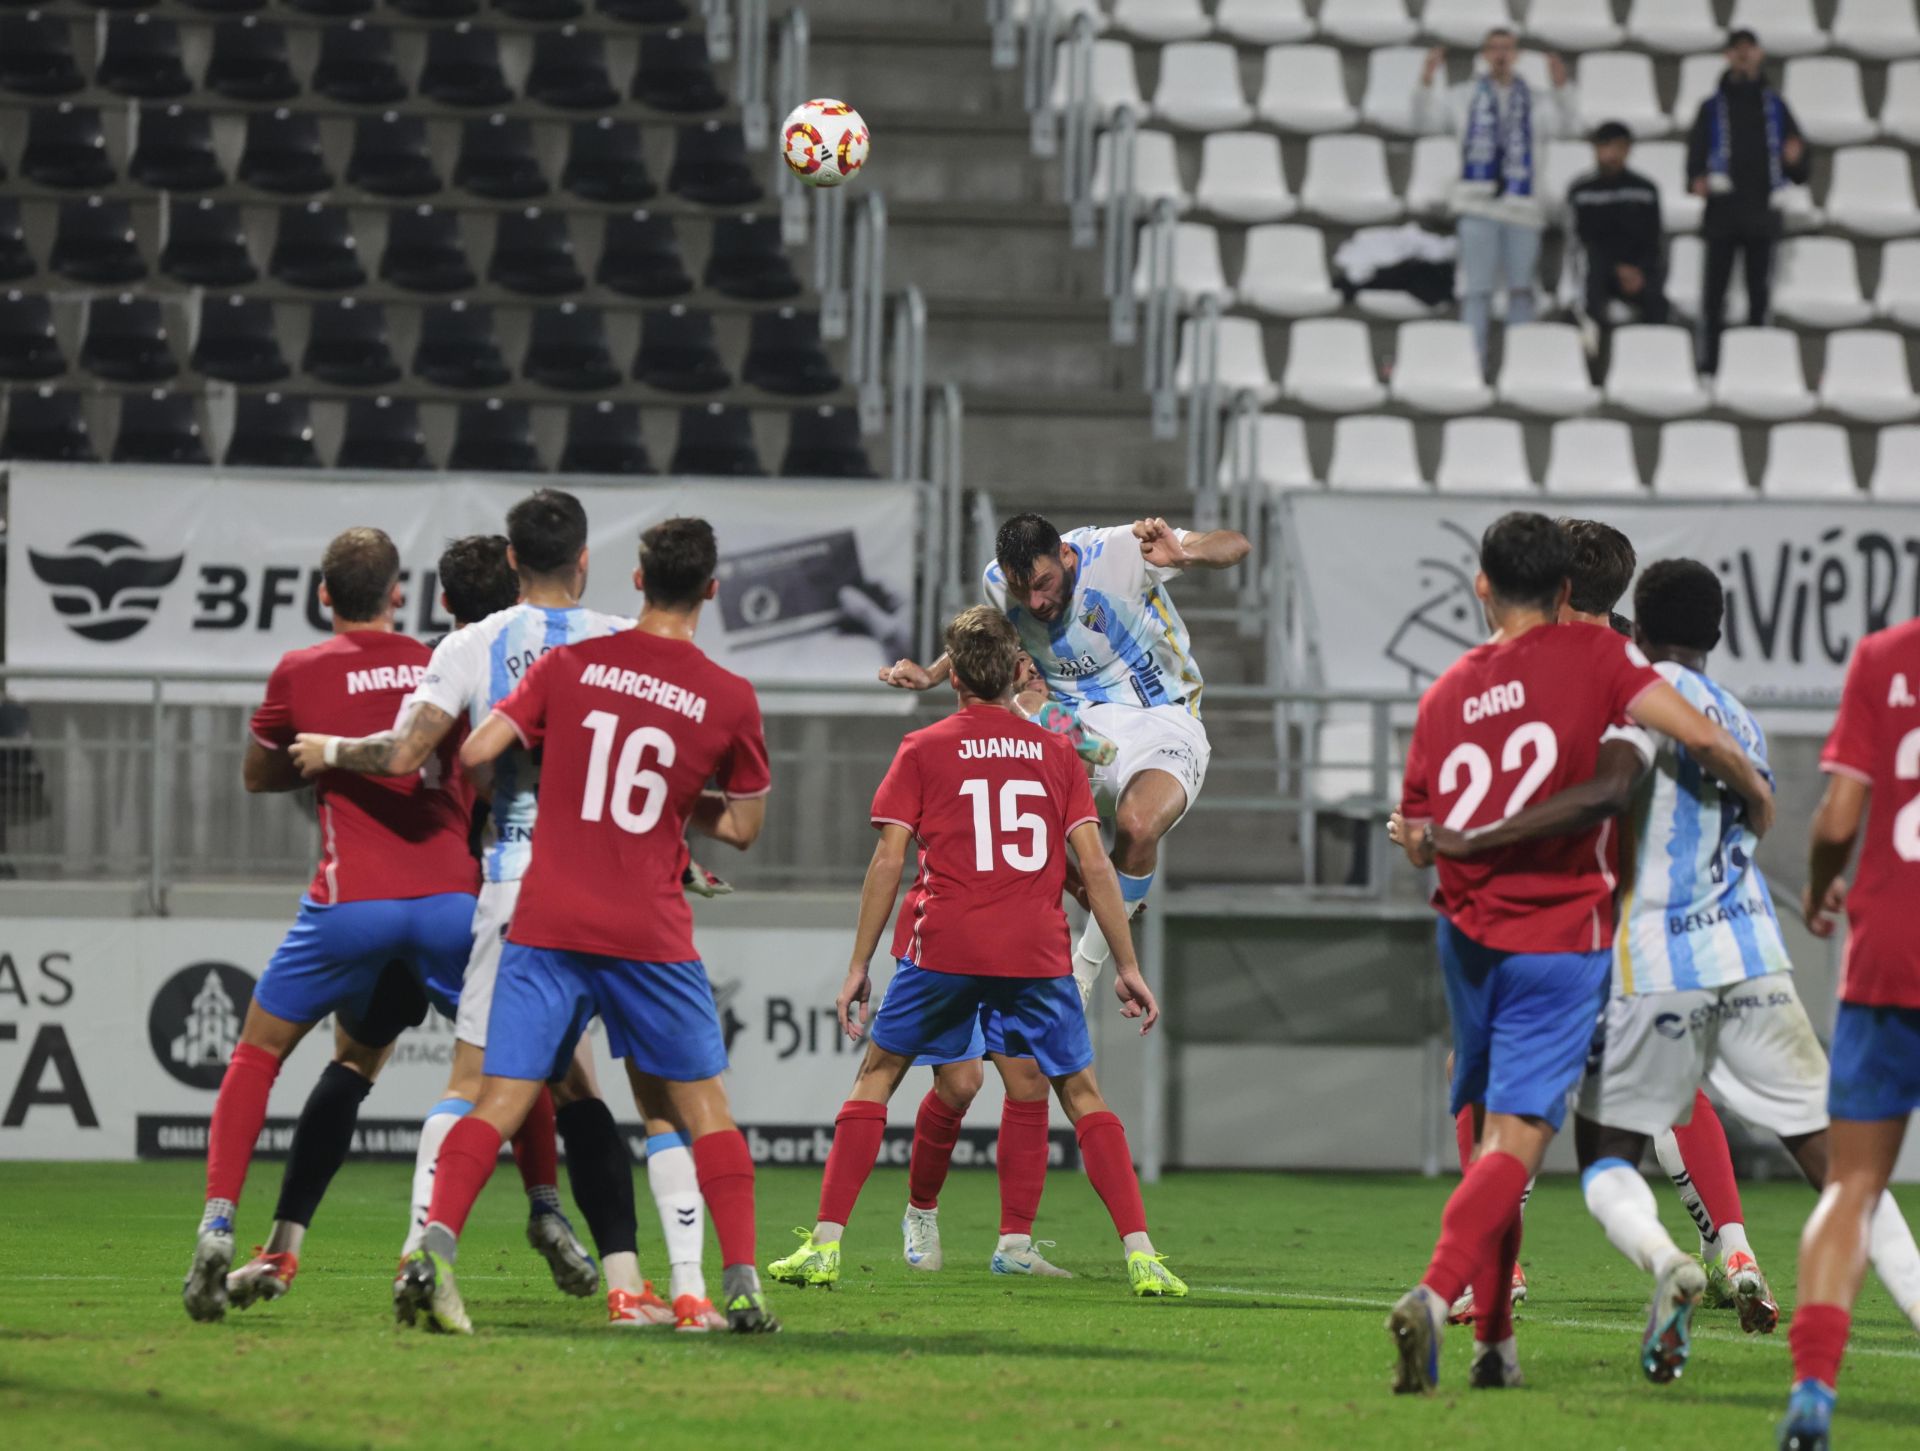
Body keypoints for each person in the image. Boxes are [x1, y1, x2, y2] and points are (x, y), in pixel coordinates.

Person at [1416, 561, 1920, 1388]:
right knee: (1846, 1167)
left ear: (1635, 627)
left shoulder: (1631, 692)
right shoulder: (1746, 723)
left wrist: (1479, 840)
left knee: (1600, 1153)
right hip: (1755, 960)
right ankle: (1745, 1255)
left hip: (1653, 961)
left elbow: (1609, 789)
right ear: (1719, 635)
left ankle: (1649, 1262)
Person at [290, 494, 729, 1331]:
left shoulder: (470, 644)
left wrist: (331, 750)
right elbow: (660, 767)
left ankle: (423, 1252)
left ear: (511, 562)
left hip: (515, 879)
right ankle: (657, 1285)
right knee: (634, 1092)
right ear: (588, 562)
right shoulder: (617, 640)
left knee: (476, 1083)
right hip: (621, 884)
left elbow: (408, 753)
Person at [1383, 512, 1773, 1394]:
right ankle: (1724, 1254)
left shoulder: (1459, 686)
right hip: (1606, 926)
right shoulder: (1621, 664)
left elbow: (1422, 829)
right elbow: (1690, 744)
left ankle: (1490, 1318)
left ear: (1493, 586)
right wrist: (1756, 792)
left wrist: (1441, 837)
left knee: (1504, 1132)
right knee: (1647, 1106)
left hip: (1487, 931)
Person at [397, 516, 780, 1335]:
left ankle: (431, 1246)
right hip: (647, 925)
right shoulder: (726, 695)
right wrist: (680, 794)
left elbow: (473, 754)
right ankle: (735, 1285)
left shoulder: (570, 665)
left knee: (499, 1097)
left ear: (636, 579)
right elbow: (742, 829)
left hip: (547, 913)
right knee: (697, 1106)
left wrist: (557, 762)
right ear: (711, 589)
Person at [766, 606, 1186, 1299]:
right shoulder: (1056, 752)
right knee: (1074, 1091)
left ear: (952, 673)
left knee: (878, 1074)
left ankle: (827, 1244)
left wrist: (858, 965)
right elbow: (1098, 868)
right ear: (1018, 669)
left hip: (949, 941)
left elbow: (887, 862)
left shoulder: (924, 746)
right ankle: (1141, 1253)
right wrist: (1128, 963)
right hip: (1034, 947)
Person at [182, 528, 479, 1323]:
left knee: (260, 1053)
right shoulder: (439, 660)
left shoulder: (300, 669)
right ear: (398, 592)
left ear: (322, 596)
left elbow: (258, 773)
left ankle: (222, 1219)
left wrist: (322, 756)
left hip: (349, 909)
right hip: (453, 901)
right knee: (521, 1060)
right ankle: (550, 1209)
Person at [879, 514, 1248, 1011]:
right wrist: (930, 674)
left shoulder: (1119, 552)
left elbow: (1234, 544)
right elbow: (985, 635)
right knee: (1016, 728)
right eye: (1021, 590)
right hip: (1080, 731)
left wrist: (1189, 554)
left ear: (1067, 558)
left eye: (1043, 584)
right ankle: (1088, 889)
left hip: (1162, 718)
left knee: (1137, 824)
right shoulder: (999, 584)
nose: (1035, 602)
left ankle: (1083, 972)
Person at [1779, 615, 1920, 1450]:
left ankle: (1812, 1392)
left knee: (1853, 1184)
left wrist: (1819, 886)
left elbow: (1838, 820)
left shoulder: (1887, 657)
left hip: (1890, 954)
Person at [1413, 27, 1580, 371]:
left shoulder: (1536, 100)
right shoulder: (1463, 96)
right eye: (1494, 48)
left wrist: (1561, 86)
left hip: (1523, 207)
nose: (1501, 54)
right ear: (1485, 55)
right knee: (1477, 290)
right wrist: (1427, 82)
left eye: (1507, 48)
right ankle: (1471, 365)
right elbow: (1424, 121)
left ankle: (1521, 365)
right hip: (1476, 204)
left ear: (1517, 55)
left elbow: (1569, 127)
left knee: (1521, 290)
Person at [1685, 28, 1810, 375]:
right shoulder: (1710, 108)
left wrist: (1794, 159)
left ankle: (1756, 369)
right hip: (1722, 215)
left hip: (1761, 215)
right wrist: (1697, 180)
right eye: (1735, 49)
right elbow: (1693, 163)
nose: (1742, 55)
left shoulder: (1777, 107)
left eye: (1748, 49)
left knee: (1760, 298)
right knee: (1713, 299)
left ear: (1759, 54)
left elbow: (1800, 167)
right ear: (1727, 55)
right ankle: (1709, 368)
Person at [1568, 121, 1670, 364]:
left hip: (1638, 270)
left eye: (1618, 148)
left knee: (1658, 303)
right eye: (1606, 147)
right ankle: (1593, 367)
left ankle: (1650, 364)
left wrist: (1639, 271)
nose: (1611, 154)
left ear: (1627, 150)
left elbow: (1653, 238)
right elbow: (1583, 239)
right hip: (1599, 271)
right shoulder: (1581, 190)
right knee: (1589, 299)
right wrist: (1617, 269)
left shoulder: (1645, 189)